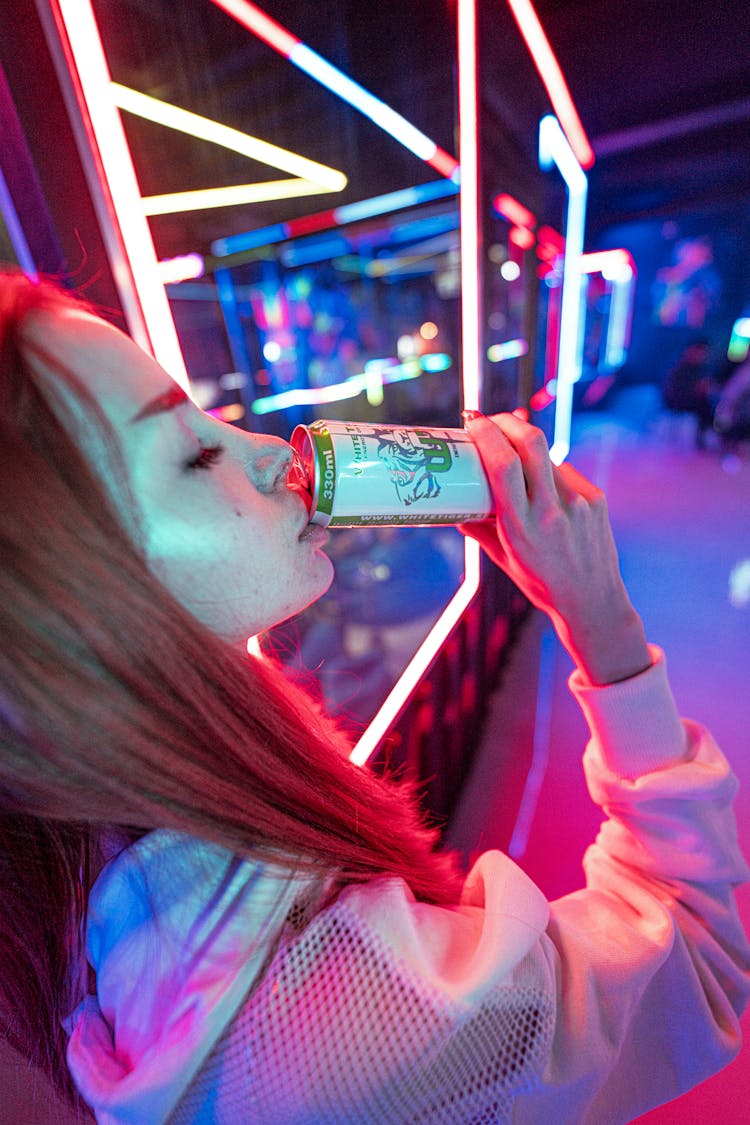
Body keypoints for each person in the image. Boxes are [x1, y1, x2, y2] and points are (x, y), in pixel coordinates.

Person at [0, 267, 748, 1125]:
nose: (269, 451)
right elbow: (695, 963)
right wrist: (604, 627)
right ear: (71, 607)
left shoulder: (104, 873)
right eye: (194, 452)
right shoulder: (340, 1022)